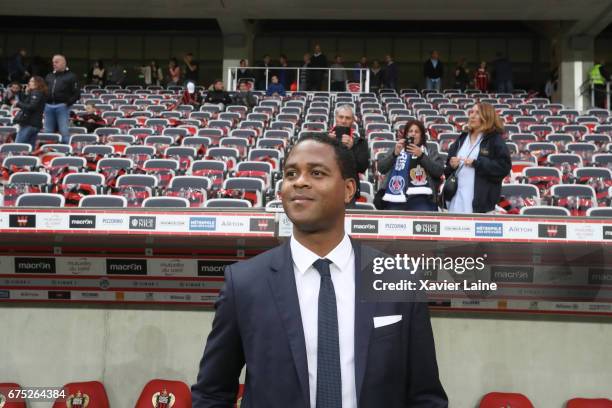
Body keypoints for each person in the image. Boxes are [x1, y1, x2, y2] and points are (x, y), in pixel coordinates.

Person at [191, 132, 448, 408]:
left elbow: (425, 397)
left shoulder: (398, 280)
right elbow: (212, 394)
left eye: (316, 173)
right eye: (291, 174)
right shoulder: (244, 283)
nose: (299, 182)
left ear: (349, 190)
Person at [444, 102, 511, 213]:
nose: (472, 116)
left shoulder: (494, 139)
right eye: (471, 112)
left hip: (480, 206)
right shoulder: (462, 138)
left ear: (487, 117)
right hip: (456, 202)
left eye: (478, 113)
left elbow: (504, 167)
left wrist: (477, 163)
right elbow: (447, 169)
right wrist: (451, 165)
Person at [378, 120, 444, 211]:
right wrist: (394, 154)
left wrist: (421, 155)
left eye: (416, 132)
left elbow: (438, 171)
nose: (413, 134)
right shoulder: (397, 149)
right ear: (406, 134)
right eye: (410, 131)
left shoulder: (429, 152)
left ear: (421, 135)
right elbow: (381, 168)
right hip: (396, 197)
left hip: (422, 199)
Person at [328, 105, 369, 203]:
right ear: (336, 118)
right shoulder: (324, 139)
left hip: (348, 191)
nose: (343, 121)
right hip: (326, 188)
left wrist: (352, 148)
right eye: (341, 117)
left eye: (347, 118)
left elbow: (362, 168)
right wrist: (327, 145)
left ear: (352, 121)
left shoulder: (360, 142)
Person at [44, 55, 80, 144]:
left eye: (56, 62)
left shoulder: (72, 76)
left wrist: (67, 103)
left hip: (62, 106)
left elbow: (76, 93)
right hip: (48, 106)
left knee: (64, 130)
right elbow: (43, 90)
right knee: (48, 131)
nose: (54, 64)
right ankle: (49, 149)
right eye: (53, 62)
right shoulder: (49, 76)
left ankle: (65, 150)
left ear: (64, 63)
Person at [14, 76, 47, 149]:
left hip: (29, 124)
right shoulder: (37, 93)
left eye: (32, 81)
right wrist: (25, 92)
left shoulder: (36, 93)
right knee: (29, 150)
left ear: (37, 83)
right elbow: (27, 104)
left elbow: (32, 107)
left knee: (17, 148)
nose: (29, 83)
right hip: (34, 124)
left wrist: (18, 103)